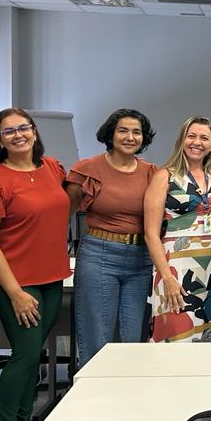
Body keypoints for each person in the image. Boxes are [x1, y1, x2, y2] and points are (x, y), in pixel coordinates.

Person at [0, 108, 71, 421]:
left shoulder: (52, 169)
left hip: (52, 277)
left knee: (34, 354)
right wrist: (15, 293)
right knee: (25, 354)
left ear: (34, 131)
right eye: (8, 131)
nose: (18, 135)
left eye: (23, 128)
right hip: (14, 282)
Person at [66, 109, 157, 369]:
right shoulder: (87, 169)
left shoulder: (152, 173)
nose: (130, 137)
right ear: (111, 134)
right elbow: (63, 214)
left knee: (133, 339)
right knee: (97, 337)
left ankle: (129, 392)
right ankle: (91, 392)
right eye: (123, 130)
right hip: (99, 255)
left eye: (136, 132)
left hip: (140, 260)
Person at [144, 116, 211, 343]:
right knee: (175, 337)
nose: (197, 142)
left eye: (204, 138)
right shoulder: (164, 176)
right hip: (175, 270)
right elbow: (151, 233)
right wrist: (167, 277)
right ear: (182, 140)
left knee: (208, 338)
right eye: (191, 136)